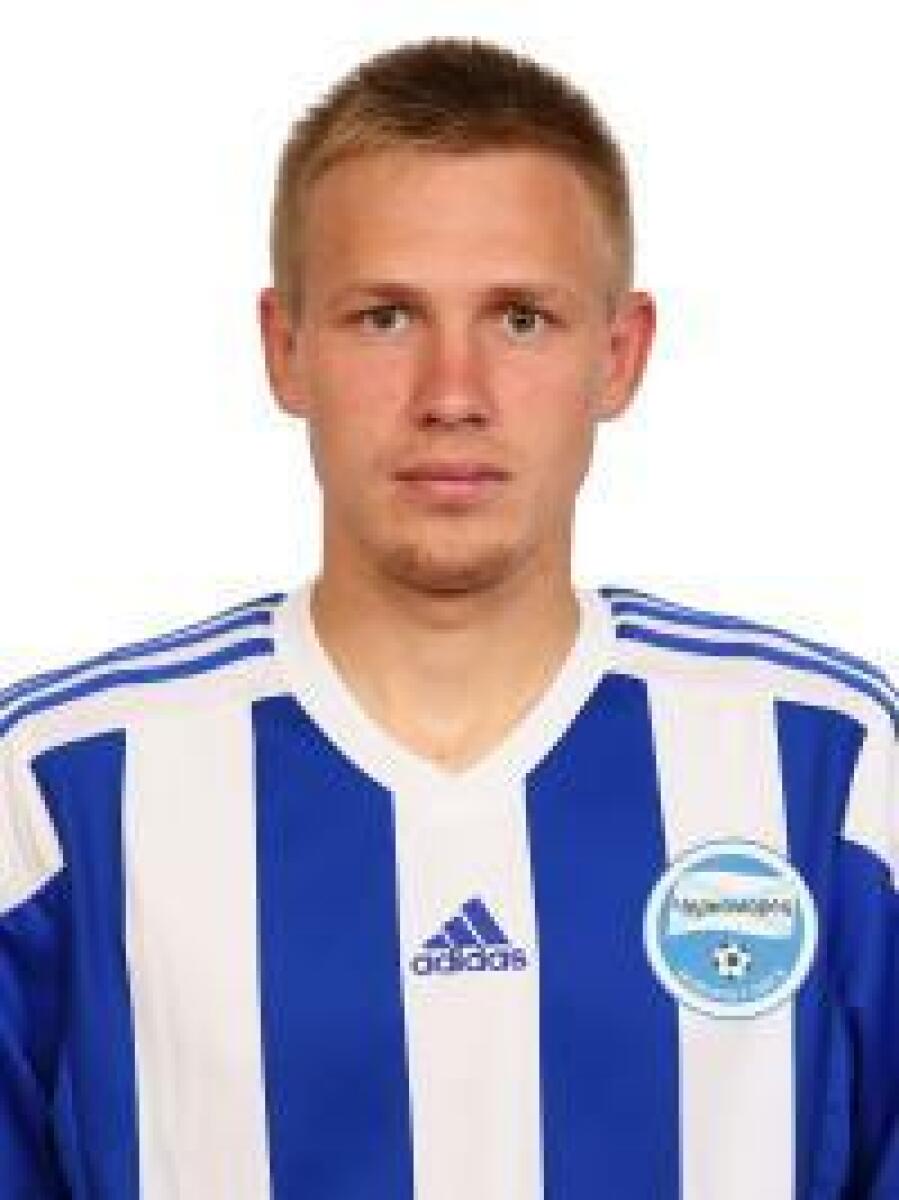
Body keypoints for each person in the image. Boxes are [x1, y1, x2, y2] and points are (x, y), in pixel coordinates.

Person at [0, 34, 895, 1200]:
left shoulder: (823, 762)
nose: (452, 395)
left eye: (520, 318)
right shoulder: (64, 783)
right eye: (385, 317)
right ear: (284, 349)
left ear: (618, 355)